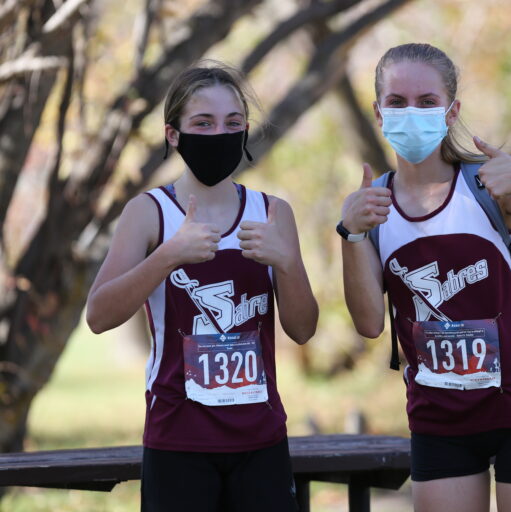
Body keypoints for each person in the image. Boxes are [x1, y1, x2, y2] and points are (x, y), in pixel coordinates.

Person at [338, 43, 511, 512]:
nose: (412, 113)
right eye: (397, 102)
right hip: (439, 417)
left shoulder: (487, 185)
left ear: (451, 111)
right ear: (378, 113)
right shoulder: (373, 206)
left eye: (427, 102)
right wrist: (350, 233)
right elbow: (368, 325)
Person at [86, 61, 318, 512]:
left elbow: (304, 329)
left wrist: (286, 263)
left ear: (247, 130)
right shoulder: (148, 212)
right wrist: (168, 255)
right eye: (203, 124)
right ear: (173, 134)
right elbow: (98, 315)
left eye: (232, 123)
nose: (219, 135)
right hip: (178, 440)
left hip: (261, 437)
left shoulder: (273, 213)